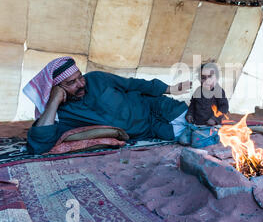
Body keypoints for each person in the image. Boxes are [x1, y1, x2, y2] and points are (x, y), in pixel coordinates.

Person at [23, 56, 191, 154]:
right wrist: (54, 101)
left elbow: (133, 84)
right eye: (71, 82)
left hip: (154, 105)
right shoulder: (64, 114)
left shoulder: (96, 78)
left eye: (80, 77)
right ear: (56, 89)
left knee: (198, 119)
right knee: (188, 137)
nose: (81, 84)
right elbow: (38, 144)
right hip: (149, 130)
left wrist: (170, 89)